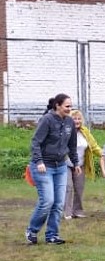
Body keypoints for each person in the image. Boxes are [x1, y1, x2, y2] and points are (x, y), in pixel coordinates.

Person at [26, 94, 81, 245]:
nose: (70, 109)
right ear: (57, 105)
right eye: (67, 106)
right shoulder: (47, 120)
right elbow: (36, 142)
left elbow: (72, 146)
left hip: (61, 166)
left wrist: (75, 163)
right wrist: (39, 161)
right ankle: (32, 230)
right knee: (47, 201)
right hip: (44, 167)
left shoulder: (69, 122)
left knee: (58, 203)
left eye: (71, 106)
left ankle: (52, 235)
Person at [63, 110, 102, 219]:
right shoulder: (66, 131)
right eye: (74, 118)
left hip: (80, 165)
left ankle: (78, 211)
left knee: (79, 188)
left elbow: (93, 146)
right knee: (68, 187)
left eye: (79, 118)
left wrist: (104, 154)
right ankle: (67, 212)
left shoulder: (85, 132)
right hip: (66, 164)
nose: (77, 121)